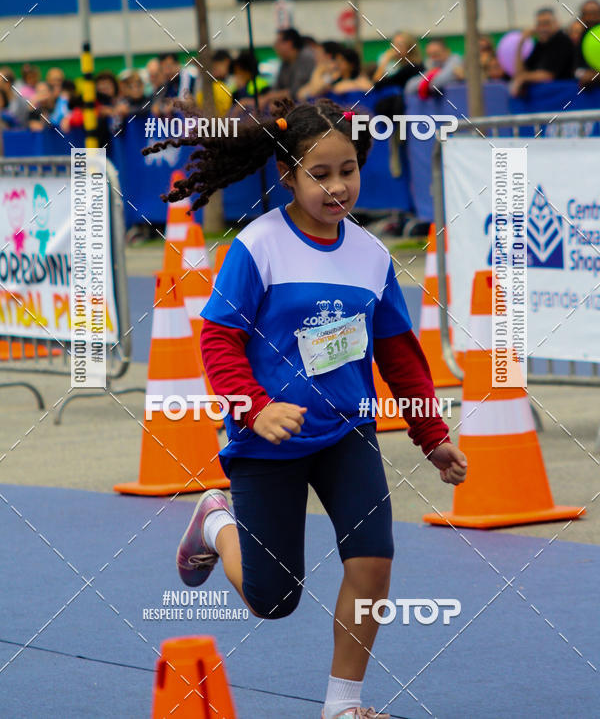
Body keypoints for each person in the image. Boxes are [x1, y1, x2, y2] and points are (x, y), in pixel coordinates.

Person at [144, 100, 468, 719]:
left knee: (373, 562)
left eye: (348, 169)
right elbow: (218, 339)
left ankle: (342, 705)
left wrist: (431, 435)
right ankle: (215, 520)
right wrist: (254, 407)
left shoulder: (372, 254)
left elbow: (400, 354)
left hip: (347, 430)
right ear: (288, 175)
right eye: (320, 173)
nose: (337, 186)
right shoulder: (258, 245)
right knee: (274, 599)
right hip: (267, 440)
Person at [510, 7, 574, 96]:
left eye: (546, 23)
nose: (543, 28)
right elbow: (519, 72)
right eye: (539, 24)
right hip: (543, 98)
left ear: (556, 23)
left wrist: (523, 78)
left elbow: (549, 75)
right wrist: (521, 43)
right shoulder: (540, 44)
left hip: (562, 96)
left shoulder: (562, 41)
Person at [261, 27, 316, 104]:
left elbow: (297, 91)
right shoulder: (285, 61)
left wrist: (270, 97)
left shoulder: (306, 58)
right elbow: (277, 87)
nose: (275, 47)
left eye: (277, 43)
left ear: (289, 43)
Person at [572, 0, 600, 88]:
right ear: (582, 17)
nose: (592, 18)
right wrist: (584, 74)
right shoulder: (581, 37)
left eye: (595, 13)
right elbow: (575, 67)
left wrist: (596, 75)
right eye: (587, 14)